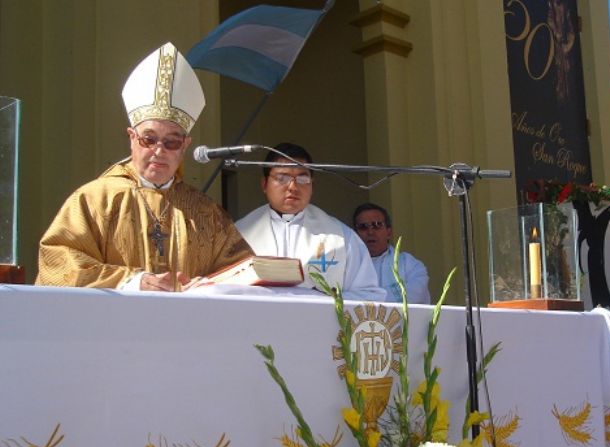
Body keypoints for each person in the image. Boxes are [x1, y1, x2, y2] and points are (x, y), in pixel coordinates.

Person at [35, 42, 252, 291]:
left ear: (185, 146)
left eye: (171, 141)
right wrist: (133, 281)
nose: (159, 150)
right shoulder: (95, 199)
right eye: (149, 139)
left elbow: (241, 270)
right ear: (131, 137)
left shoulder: (206, 213)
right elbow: (58, 262)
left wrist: (211, 285)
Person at [235, 143, 384, 300]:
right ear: (265, 184)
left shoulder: (341, 238)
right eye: (282, 178)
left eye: (302, 178)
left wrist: (323, 300)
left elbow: (369, 295)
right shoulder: (238, 235)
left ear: (313, 185)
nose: (292, 186)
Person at [353, 203, 431, 304]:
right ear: (355, 234)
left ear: (388, 233)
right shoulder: (346, 266)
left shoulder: (410, 265)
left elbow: (415, 297)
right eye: (363, 227)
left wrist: (366, 298)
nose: (370, 232)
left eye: (377, 225)